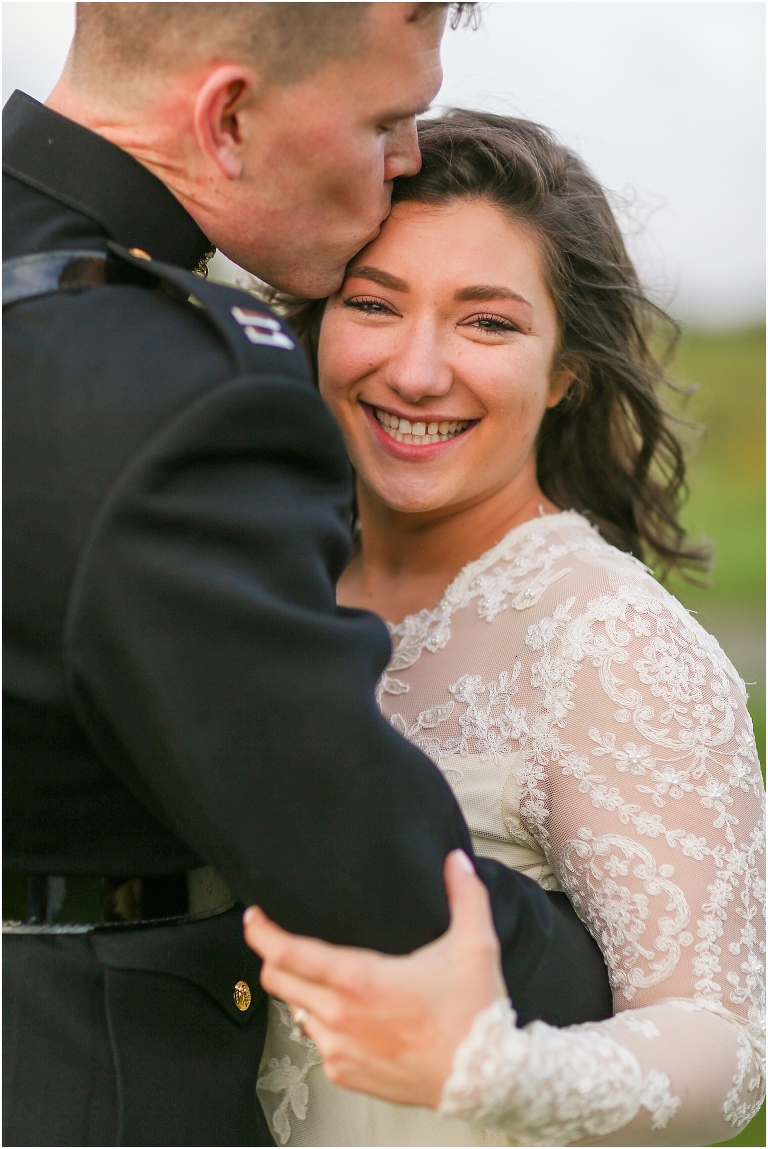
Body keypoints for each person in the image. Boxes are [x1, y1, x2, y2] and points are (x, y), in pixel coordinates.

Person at [2, 7, 613, 1147]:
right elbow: (363, 880)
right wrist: (617, 968)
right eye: (385, 121)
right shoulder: (175, 394)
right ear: (227, 118)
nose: (407, 160)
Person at [245, 112, 766, 1146]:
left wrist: (495, 1070)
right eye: (374, 304)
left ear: (564, 369)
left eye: (487, 323)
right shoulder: (258, 579)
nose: (418, 370)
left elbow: (727, 1043)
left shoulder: (607, 638)